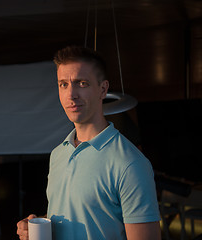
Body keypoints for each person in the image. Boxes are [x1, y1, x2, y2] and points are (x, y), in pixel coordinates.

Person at [16, 45, 161, 239]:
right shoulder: (58, 154)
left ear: (103, 89)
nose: (71, 95)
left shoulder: (130, 164)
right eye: (63, 84)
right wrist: (36, 225)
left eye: (81, 83)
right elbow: (76, 216)